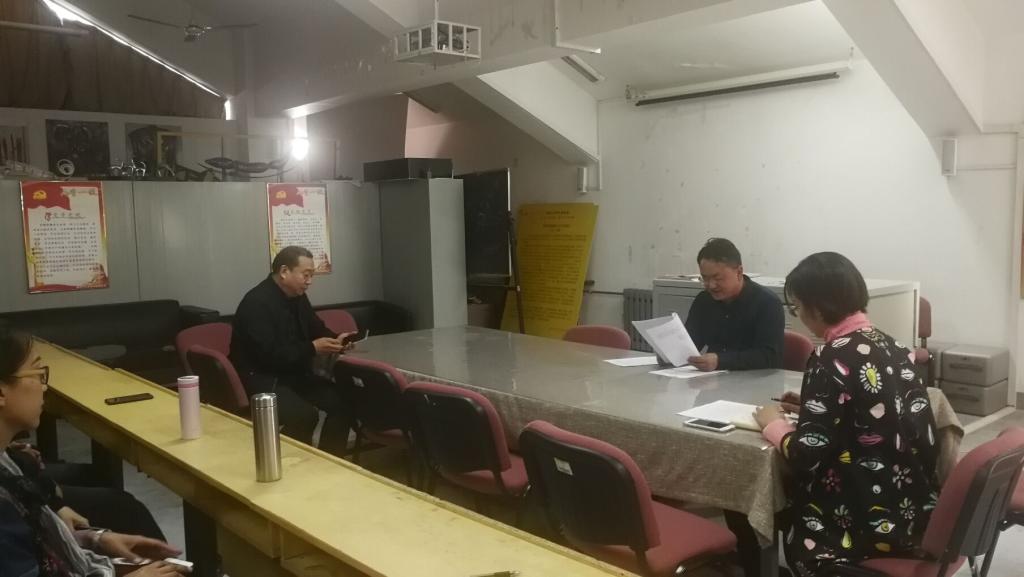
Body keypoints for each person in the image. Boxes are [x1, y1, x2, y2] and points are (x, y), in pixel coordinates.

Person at [753, 252, 940, 576]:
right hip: (913, 512)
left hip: (862, 521)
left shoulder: (830, 358)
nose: (799, 316)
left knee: (784, 503)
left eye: (797, 307)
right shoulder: (895, 347)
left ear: (817, 306)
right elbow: (880, 412)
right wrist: (812, 405)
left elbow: (806, 455)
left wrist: (774, 425)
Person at [0, 328, 186, 577]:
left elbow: (38, 542)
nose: (44, 387)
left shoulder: (9, 466)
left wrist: (95, 539)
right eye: (38, 374)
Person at [230, 246, 354, 456]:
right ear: (284, 271)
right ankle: (290, 464)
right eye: (306, 275)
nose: (309, 281)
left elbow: (316, 327)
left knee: (344, 403)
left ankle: (330, 461)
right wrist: (312, 348)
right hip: (262, 377)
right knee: (304, 417)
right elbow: (269, 355)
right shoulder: (256, 303)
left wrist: (337, 340)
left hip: (293, 372)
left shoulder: (297, 296)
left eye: (312, 275)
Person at [684, 238, 784, 371]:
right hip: (713, 379)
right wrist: (671, 352)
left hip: (754, 380)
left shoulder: (767, 303)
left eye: (718, 278)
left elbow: (769, 357)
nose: (711, 285)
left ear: (739, 272)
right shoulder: (704, 300)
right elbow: (689, 343)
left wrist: (720, 361)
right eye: (705, 278)